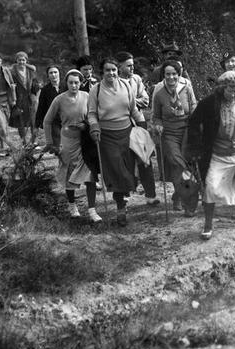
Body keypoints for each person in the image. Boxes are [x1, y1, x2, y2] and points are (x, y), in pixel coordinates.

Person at [186, 71, 235, 240]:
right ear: (222, 88)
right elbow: (193, 122)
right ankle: (208, 224)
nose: (233, 94)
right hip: (216, 154)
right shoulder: (209, 103)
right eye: (230, 90)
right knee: (211, 187)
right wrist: (196, 147)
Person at [87, 57, 146, 227]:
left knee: (127, 169)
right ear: (102, 72)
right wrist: (94, 127)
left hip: (127, 133)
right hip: (107, 136)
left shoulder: (126, 85)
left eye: (113, 70)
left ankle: (123, 198)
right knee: (116, 171)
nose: (111, 73)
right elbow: (91, 113)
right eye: (107, 70)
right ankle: (121, 208)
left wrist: (142, 125)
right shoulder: (96, 90)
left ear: (117, 71)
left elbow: (133, 108)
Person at [43, 69, 102, 222]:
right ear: (66, 83)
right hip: (68, 141)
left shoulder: (86, 96)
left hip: (85, 140)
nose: (74, 86)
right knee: (69, 172)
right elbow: (47, 121)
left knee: (90, 173)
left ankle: (92, 210)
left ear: (81, 83)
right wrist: (50, 142)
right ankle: (72, 205)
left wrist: (86, 125)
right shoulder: (59, 99)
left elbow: (93, 115)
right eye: (71, 83)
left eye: (76, 83)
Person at [152, 59, 197, 213]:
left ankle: (178, 195)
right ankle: (188, 204)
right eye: (167, 74)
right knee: (179, 166)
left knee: (187, 168)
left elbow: (194, 109)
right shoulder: (158, 94)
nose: (171, 77)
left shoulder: (187, 89)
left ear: (179, 75)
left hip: (186, 132)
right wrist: (157, 125)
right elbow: (156, 116)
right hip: (169, 134)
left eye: (174, 74)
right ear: (163, 75)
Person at [116, 51, 160, 206]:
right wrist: (131, 102)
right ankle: (126, 193)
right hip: (122, 125)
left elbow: (145, 100)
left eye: (133, 65)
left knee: (145, 158)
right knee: (126, 161)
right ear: (119, 67)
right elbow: (115, 104)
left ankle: (150, 195)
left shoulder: (136, 79)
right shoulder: (114, 82)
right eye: (128, 66)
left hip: (139, 124)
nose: (132, 68)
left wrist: (129, 101)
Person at [9, 51, 40, 147]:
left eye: (23, 60)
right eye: (19, 60)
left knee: (34, 120)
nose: (21, 62)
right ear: (16, 60)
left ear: (26, 61)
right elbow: (10, 83)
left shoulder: (30, 70)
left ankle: (34, 141)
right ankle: (24, 142)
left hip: (31, 97)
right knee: (20, 120)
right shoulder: (12, 71)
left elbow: (36, 82)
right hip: (19, 98)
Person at [35, 64, 63, 146]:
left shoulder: (67, 86)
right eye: (51, 73)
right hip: (54, 120)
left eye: (55, 72)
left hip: (67, 118)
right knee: (57, 142)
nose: (53, 75)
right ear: (48, 75)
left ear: (59, 73)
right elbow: (41, 108)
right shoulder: (45, 90)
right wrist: (37, 125)